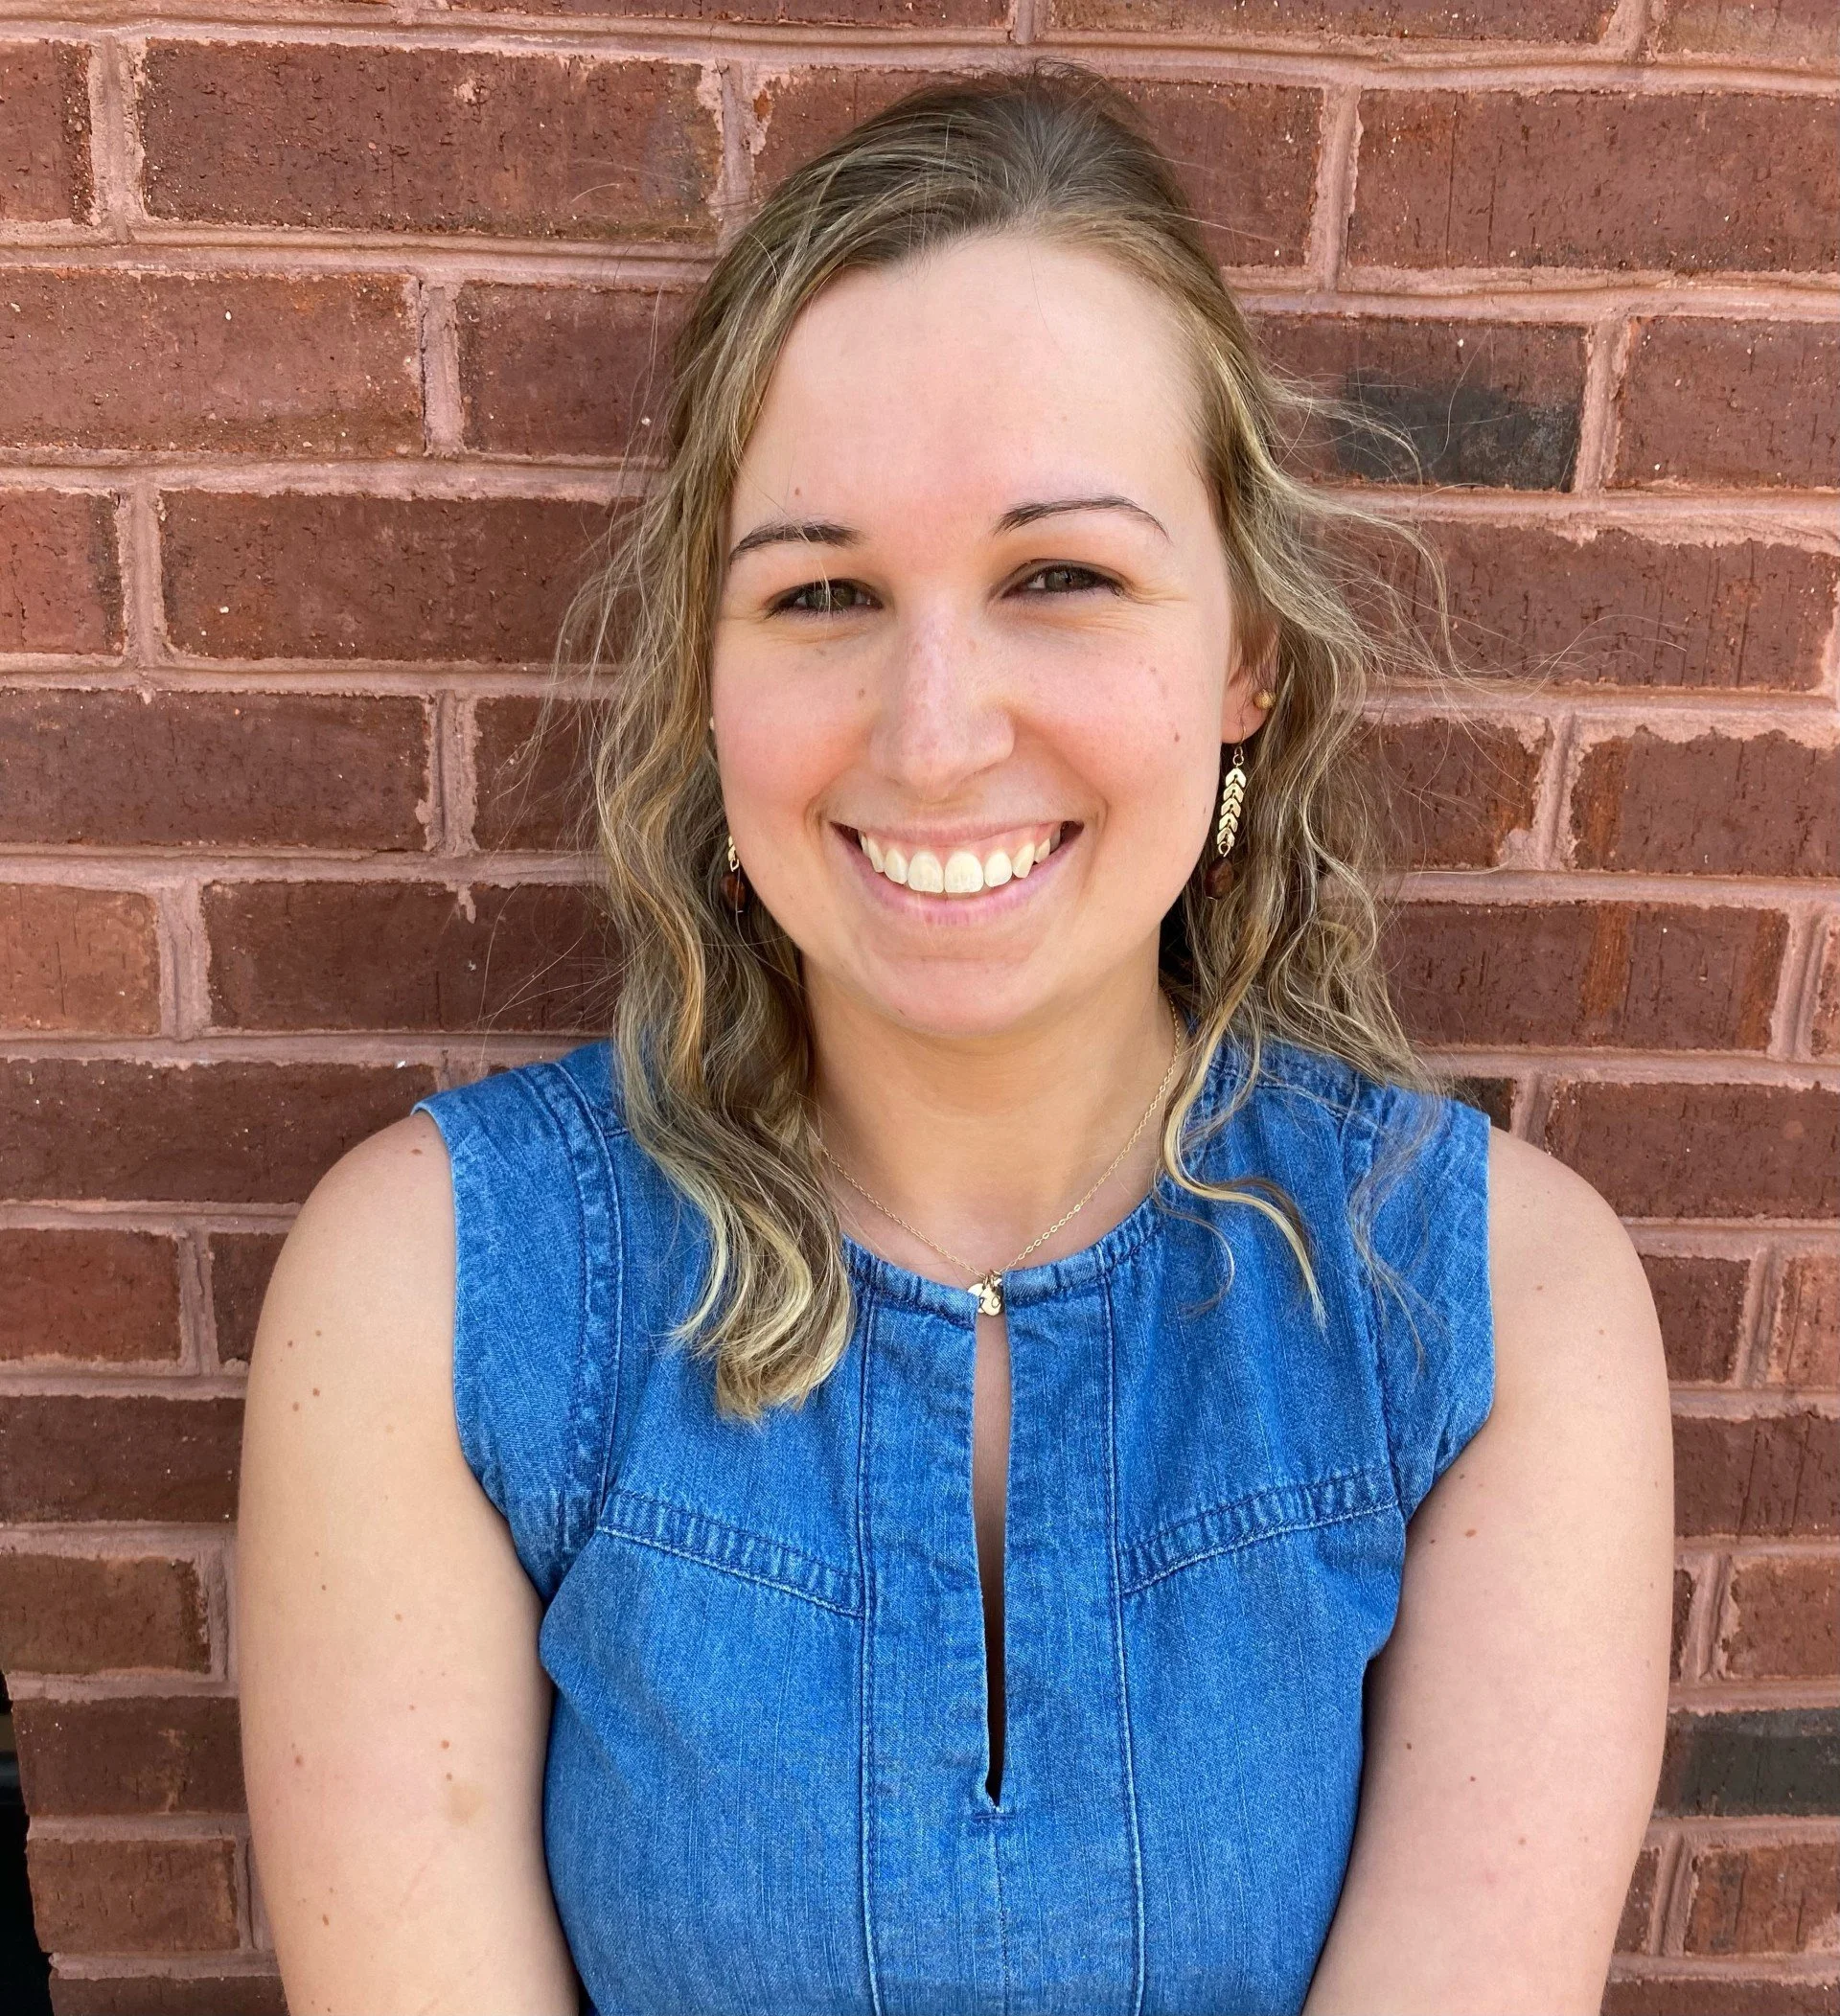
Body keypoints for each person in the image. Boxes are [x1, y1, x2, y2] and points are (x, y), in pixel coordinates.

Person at [236, 63, 1674, 2016]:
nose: (932, 731)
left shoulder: (1493, 1305)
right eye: (821, 591)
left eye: (1057, 576)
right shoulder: (437, 1292)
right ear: (713, 678)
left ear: (1244, 646)